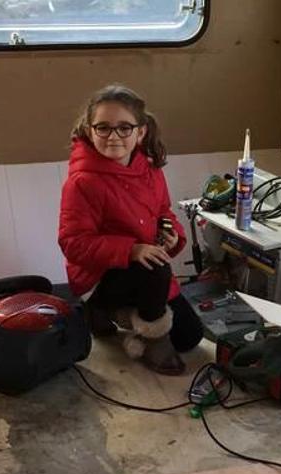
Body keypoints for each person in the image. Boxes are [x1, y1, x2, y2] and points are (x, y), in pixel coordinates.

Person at [58, 84, 204, 375]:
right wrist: (132, 249)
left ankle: (123, 316)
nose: (113, 136)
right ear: (89, 130)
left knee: (190, 337)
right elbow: (72, 242)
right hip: (100, 277)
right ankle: (150, 338)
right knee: (156, 268)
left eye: (124, 128)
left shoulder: (151, 170)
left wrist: (172, 234)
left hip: (144, 272)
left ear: (141, 132)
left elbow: (164, 213)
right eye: (103, 128)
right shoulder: (82, 182)